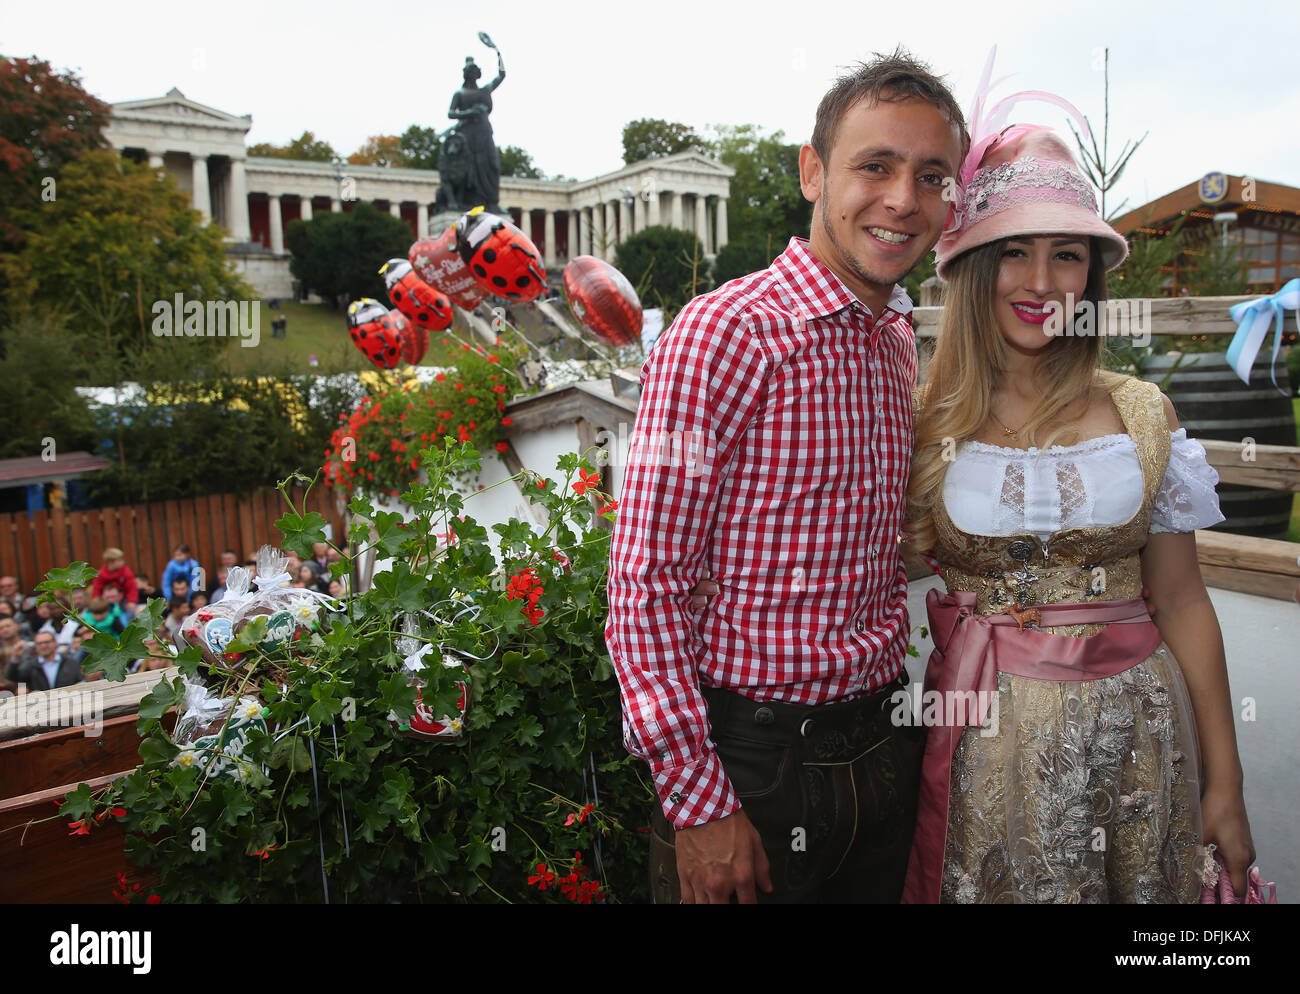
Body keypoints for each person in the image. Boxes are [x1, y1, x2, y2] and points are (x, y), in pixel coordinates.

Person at [605, 49, 965, 904]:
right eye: (874, 165)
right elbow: (644, 580)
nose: (903, 200)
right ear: (813, 171)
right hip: (754, 767)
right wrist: (697, 804)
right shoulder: (724, 332)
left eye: (932, 176)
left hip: (883, 741)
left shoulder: (890, 335)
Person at [899, 119, 1255, 902]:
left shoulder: (1140, 412)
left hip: (1138, 739)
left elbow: (1186, 602)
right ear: (971, 268)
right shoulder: (922, 420)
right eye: (1014, 252)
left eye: (1067, 254)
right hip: (985, 741)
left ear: (1092, 274)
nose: (1042, 281)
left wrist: (1224, 783)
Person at [5, 630, 82, 693]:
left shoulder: (70, 662)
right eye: (39, 643)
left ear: (55, 643)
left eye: (47, 642)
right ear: (35, 646)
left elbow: (79, 682)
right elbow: (14, 678)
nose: (43, 646)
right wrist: (15, 657)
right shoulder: (30, 665)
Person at [91, 547, 140, 613]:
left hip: (123, 599)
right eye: (119, 560)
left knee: (131, 610)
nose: (123, 562)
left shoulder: (126, 571)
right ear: (110, 562)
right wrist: (96, 603)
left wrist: (131, 601)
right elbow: (97, 590)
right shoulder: (101, 574)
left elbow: (131, 588)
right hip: (107, 600)